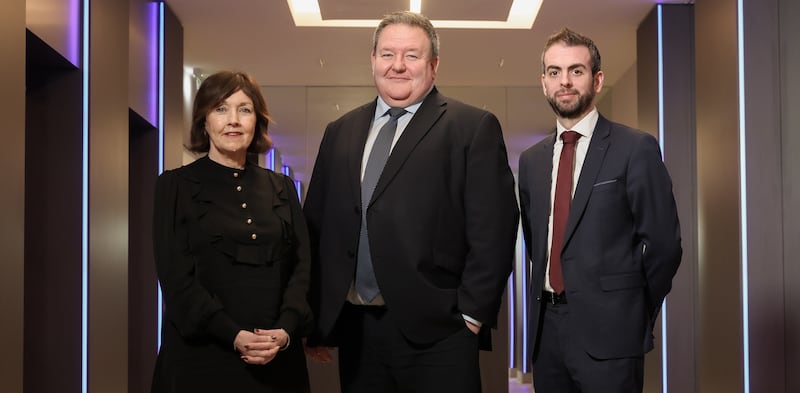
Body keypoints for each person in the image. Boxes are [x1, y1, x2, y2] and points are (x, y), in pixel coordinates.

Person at [302, 11, 519, 393]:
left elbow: (494, 230)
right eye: (387, 54)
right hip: (356, 329)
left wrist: (471, 313)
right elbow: (317, 226)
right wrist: (318, 318)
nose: (397, 65)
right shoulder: (340, 131)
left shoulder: (472, 127)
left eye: (412, 56)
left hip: (440, 331)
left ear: (433, 65)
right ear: (372, 61)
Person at [518, 27, 682, 393]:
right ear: (544, 82)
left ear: (597, 79)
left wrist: (636, 311)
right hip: (547, 335)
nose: (565, 82)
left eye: (576, 71)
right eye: (555, 72)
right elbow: (538, 245)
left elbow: (664, 246)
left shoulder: (634, 148)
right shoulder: (531, 161)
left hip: (612, 335)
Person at [151, 70, 312, 393]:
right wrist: (234, 335)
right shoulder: (175, 186)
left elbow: (302, 266)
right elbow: (176, 278)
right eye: (221, 109)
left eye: (245, 109)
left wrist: (285, 329)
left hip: (276, 355)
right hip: (203, 356)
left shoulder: (281, 187)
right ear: (204, 120)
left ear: (258, 121)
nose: (233, 120)